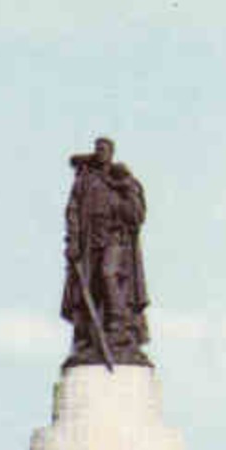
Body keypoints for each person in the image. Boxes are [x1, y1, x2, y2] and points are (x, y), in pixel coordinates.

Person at [61, 136, 151, 367]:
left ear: (111, 153)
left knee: (108, 274)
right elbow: (72, 209)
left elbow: (137, 214)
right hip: (90, 241)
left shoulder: (122, 179)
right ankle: (88, 337)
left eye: (105, 149)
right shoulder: (85, 180)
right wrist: (72, 240)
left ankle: (118, 327)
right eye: (98, 148)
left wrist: (122, 199)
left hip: (115, 240)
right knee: (89, 287)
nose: (101, 152)